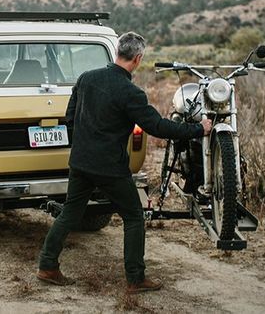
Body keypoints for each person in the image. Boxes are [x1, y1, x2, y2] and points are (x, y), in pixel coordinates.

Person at [37, 32, 212, 293]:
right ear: (138, 59)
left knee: (70, 214)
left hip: (81, 162)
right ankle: (136, 279)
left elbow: (69, 118)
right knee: (133, 216)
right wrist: (199, 129)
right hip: (110, 167)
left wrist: (83, 145)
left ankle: (47, 267)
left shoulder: (86, 78)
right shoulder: (130, 92)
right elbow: (158, 127)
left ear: (117, 51)